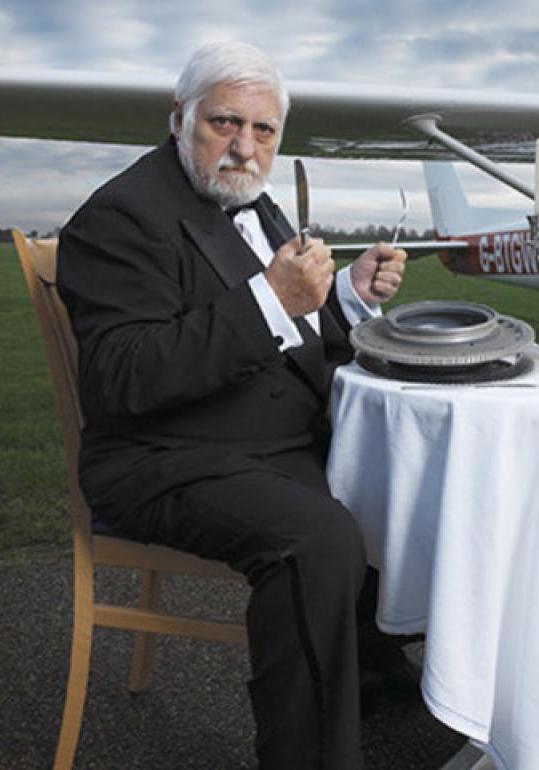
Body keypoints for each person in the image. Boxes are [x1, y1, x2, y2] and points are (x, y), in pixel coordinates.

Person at [56, 41, 408, 770]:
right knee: (318, 540)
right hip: (163, 459)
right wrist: (272, 297)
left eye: (264, 130)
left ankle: (383, 689)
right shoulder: (120, 215)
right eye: (224, 123)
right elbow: (124, 378)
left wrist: (345, 294)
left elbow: (291, 326)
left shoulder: (251, 199)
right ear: (180, 117)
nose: (244, 147)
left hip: (265, 442)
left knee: (407, 490)